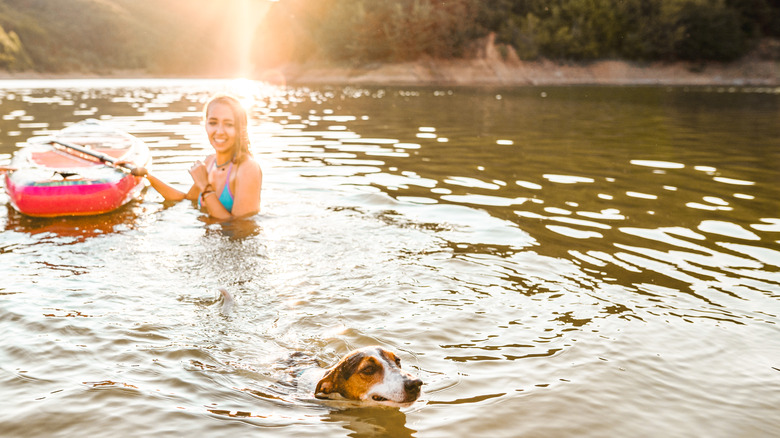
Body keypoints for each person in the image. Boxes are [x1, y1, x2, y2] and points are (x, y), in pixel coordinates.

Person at [132, 94, 262, 221]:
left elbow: (240, 227)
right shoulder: (210, 162)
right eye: (213, 123)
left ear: (241, 129)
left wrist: (205, 187)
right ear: (205, 125)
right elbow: (186, 199)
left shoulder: (247, 168)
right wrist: (146, 175)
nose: (220, 131)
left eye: (229, 124)